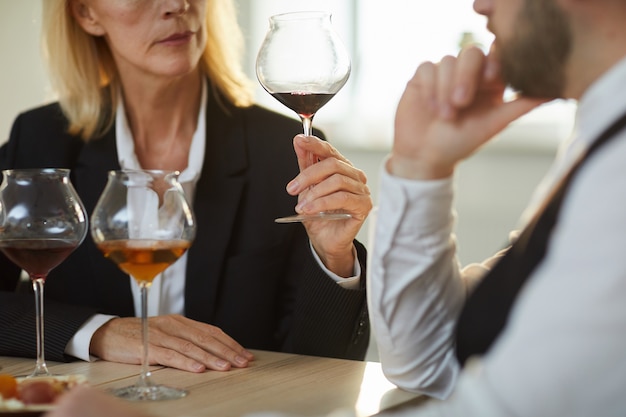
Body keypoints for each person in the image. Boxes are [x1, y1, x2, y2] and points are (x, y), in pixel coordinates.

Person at [0, 0, 372, 373]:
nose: (177, 5)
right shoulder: (39, 141)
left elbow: (320, 364)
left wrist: (334, 259)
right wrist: (99, 332)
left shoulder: (281, 149)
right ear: (86, 14)